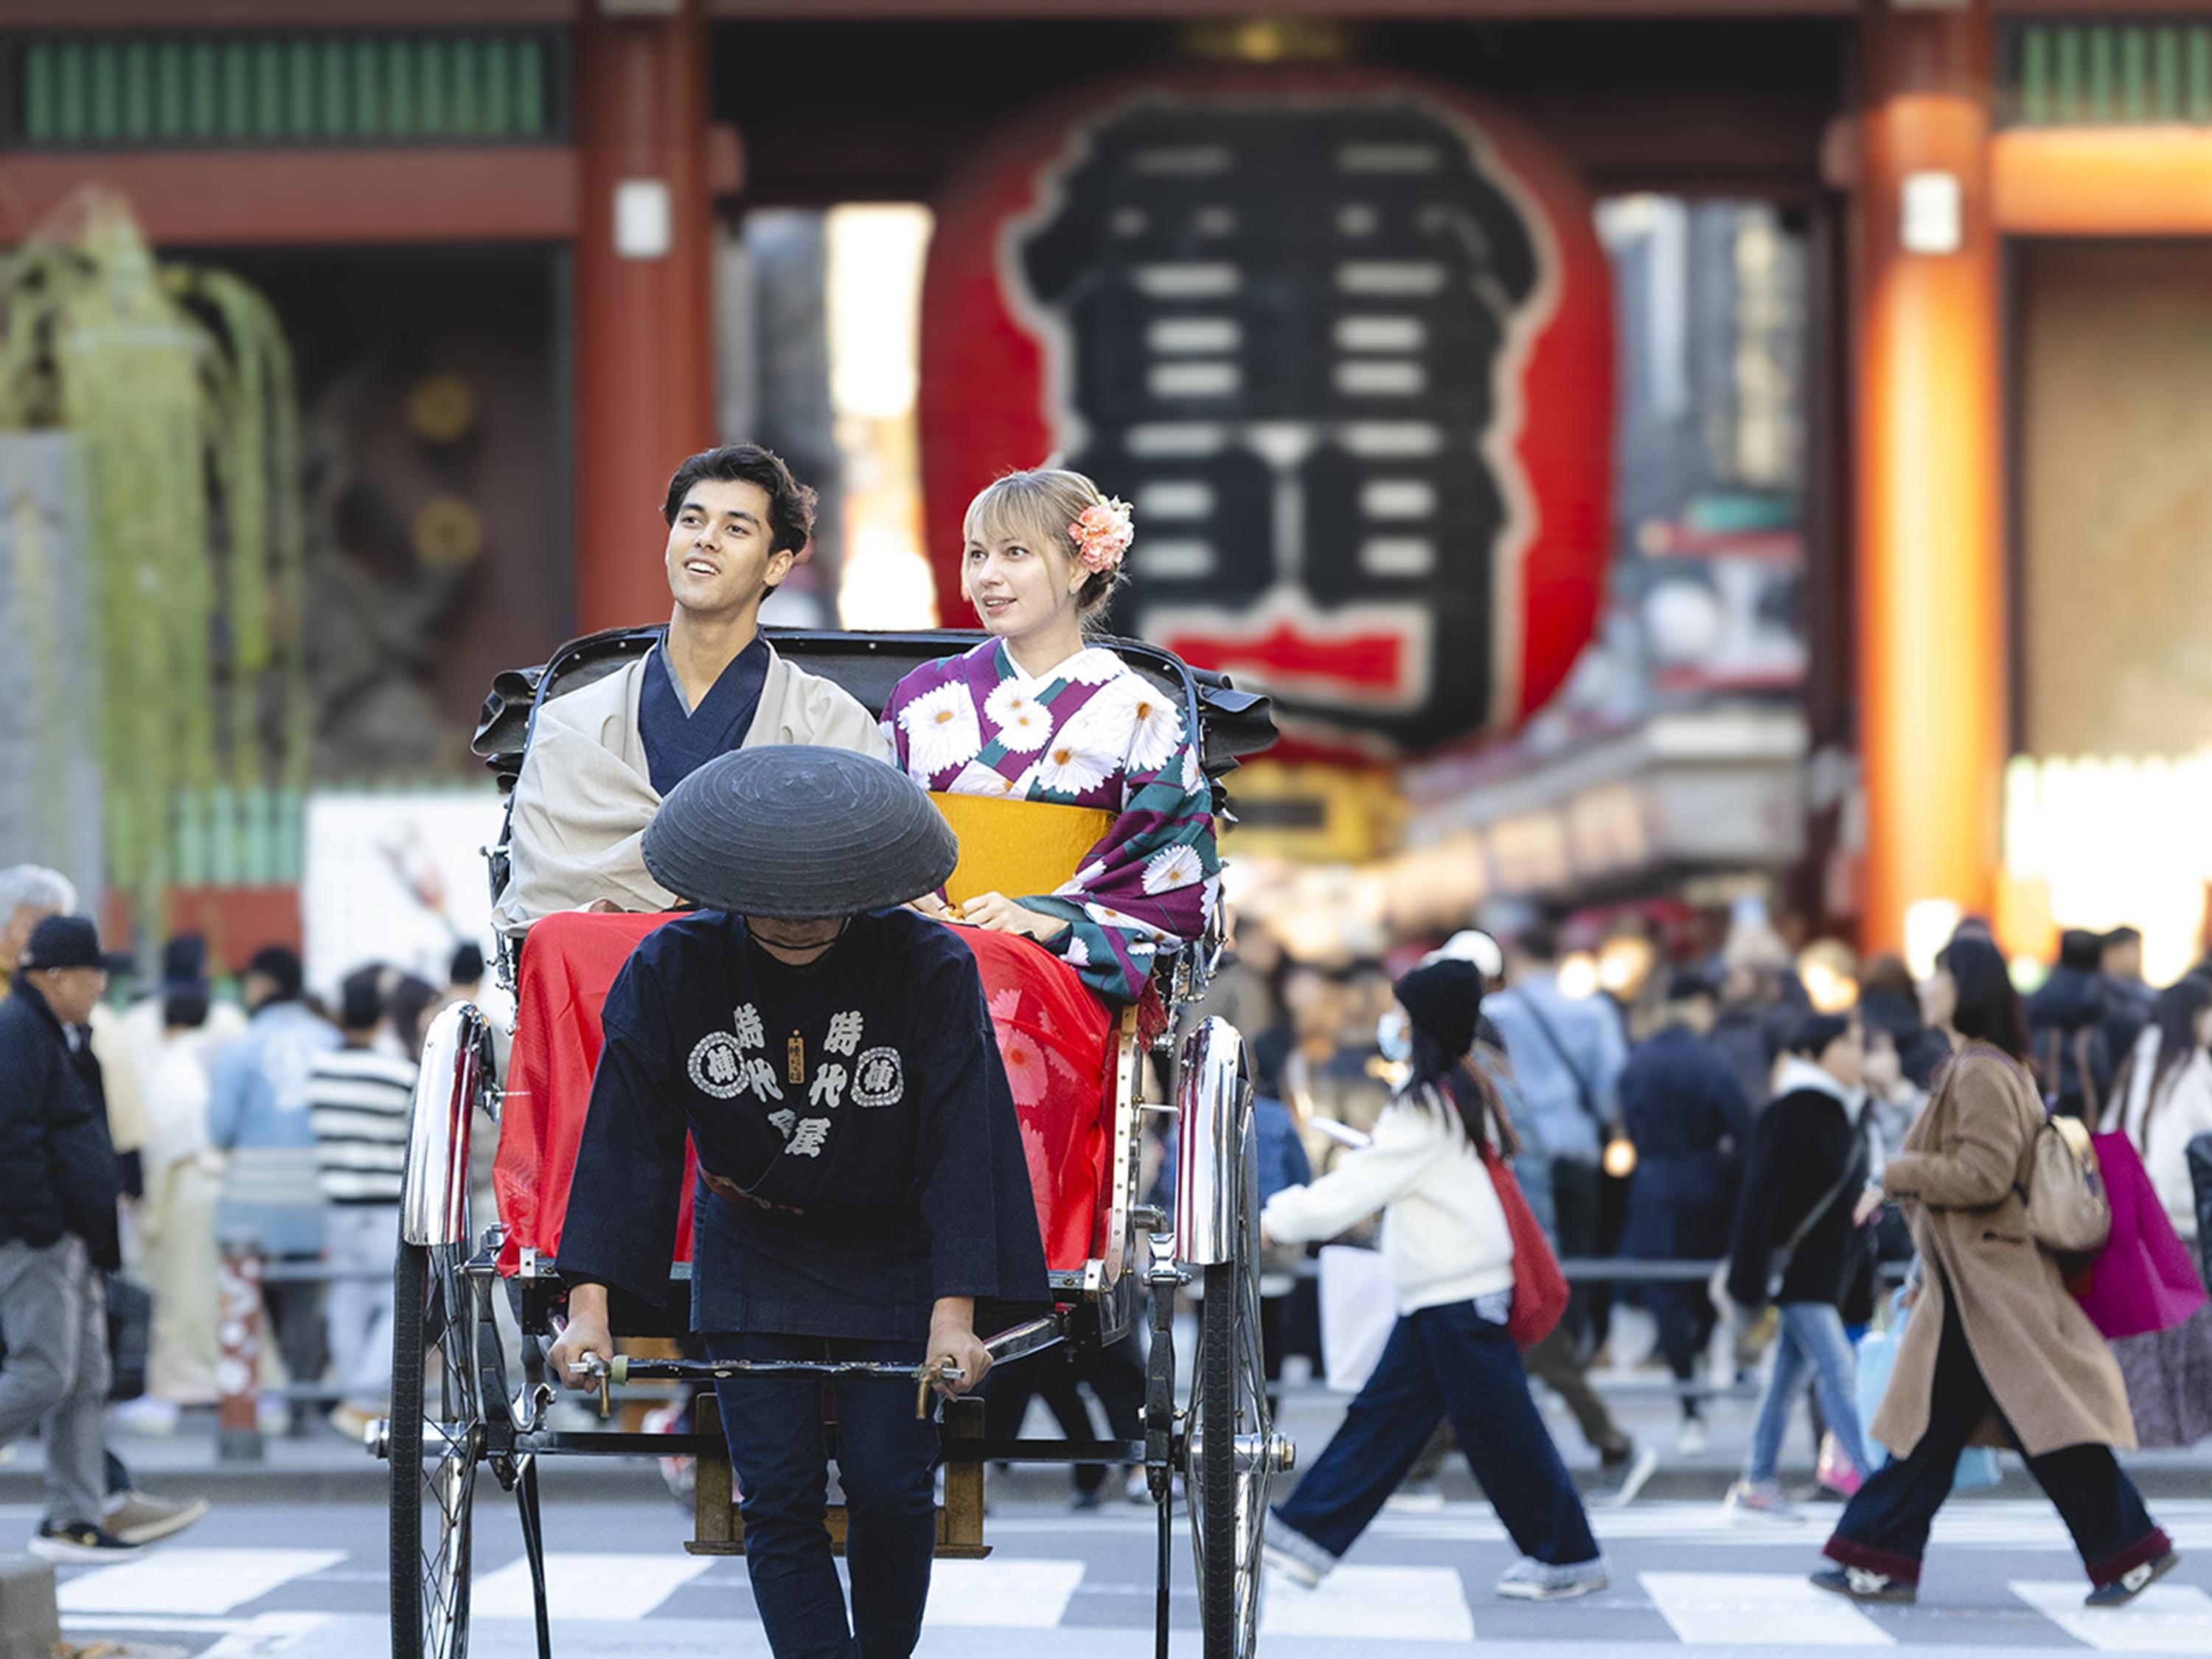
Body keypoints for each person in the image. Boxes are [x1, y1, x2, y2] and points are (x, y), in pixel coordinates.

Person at [546, 746, 1048, 1659]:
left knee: (893, 1487)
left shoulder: (927, 964)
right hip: (750, 1238)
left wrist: (956, 1314)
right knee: (774, 1493)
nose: (797, 924)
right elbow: (627, 1142)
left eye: (821, 907)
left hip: (893, 1245)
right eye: (774, 907)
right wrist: (591, 1311)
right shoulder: (672, 965)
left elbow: (962, 1146)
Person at [1815, 936, 2177, 1609]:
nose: (1924, 988)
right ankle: (2126, 1551)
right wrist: (1927, 1261)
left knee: (1997, 1428)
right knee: (1973, 1428)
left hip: (1991, 1285)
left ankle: (1882, 1556)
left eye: (1937, 976)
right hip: (1975, 1283)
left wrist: (1894, 1175)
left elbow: (1983, 1175)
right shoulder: (1976, 1065)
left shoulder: (1980, 1070)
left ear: (1964, 989)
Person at [1259, 958, 1610, 1601]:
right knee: (1388, 1423)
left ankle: (1567, 1554)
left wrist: (1272, 1221)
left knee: (1497, 1433)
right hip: (1449, 1292)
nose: (1392, 1024)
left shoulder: (1425, 1106)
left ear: (1422, 1026)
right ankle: (1300, 1539)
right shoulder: (1460, 1089)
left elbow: (1357, 1189)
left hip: (1457, 1295)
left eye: (1402, 1015)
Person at [493, 443, 891, 933]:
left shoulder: (831, 724)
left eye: (736, 529)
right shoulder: (573, 724)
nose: (706, 539)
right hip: (607, 983)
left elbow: (858, 875)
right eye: (692, 521)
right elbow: (545, 893)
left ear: (777, 566)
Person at [0, 917, 206, 1559]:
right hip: (41, 1235)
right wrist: (42, 1221)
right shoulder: (20, 1030)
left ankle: (74, 1517)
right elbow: (15, 1136)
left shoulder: (58, 1032)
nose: (101, 985)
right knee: (43, 1374)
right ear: (56, 975)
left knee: (87, 1377)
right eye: (93, 972)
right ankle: (74, 1513)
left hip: (74, 1234)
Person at [1722, 1013, 1876, 1518]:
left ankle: (1757, 1479)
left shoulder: (1847, 1111)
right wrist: (1747, 1280)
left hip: (1823, 1274)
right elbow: (1757, 1199)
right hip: (1795, 1274)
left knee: (1788, 1379)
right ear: (1813, 1054)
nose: (1859, 1055)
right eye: (1848, 1045)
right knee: (1839, 1372)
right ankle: (1877, 1487)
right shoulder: (1795, 1111)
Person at [206, 945, 338, 1433]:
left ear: (263, 984)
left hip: (252, 1196)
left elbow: (220, 1128)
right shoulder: (328, 1038)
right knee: (306, 1298)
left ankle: (249, 1406)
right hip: (314, 1190)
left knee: (249, 1295)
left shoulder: (242, 1045)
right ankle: (303, 1398)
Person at [1618, 972, 1751, 1454]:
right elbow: (1743, 1128)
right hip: (1708, 1185)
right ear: (1699, 1003)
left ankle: (1688, 1399)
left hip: (1652, 1184)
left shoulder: (1637, 1063)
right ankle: (1700, 1364)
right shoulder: (1711, 1063)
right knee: (1704, 1284)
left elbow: (1627, 1125)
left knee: (1665, 1293)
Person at [310, 967, 420, 1441]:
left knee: (347, 1303)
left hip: (336, 1205)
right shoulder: (397, 1074)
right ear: (380, 1017)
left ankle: (357, 1401)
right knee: (399, 1304)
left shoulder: (319, 1071)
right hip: (382, 1205)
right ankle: (361, 1399)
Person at [2027, 930, 2115, 1125]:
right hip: (2098, 1115)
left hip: (2047, 1108)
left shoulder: (2040, 1000)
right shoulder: (2111, 1001)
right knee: (2104, 1152)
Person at [2099, 927, 2157, 1065]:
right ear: (2111, 953)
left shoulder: (2146, 994)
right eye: (2133, 950)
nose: (2138, 956)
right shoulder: (2099, 995)